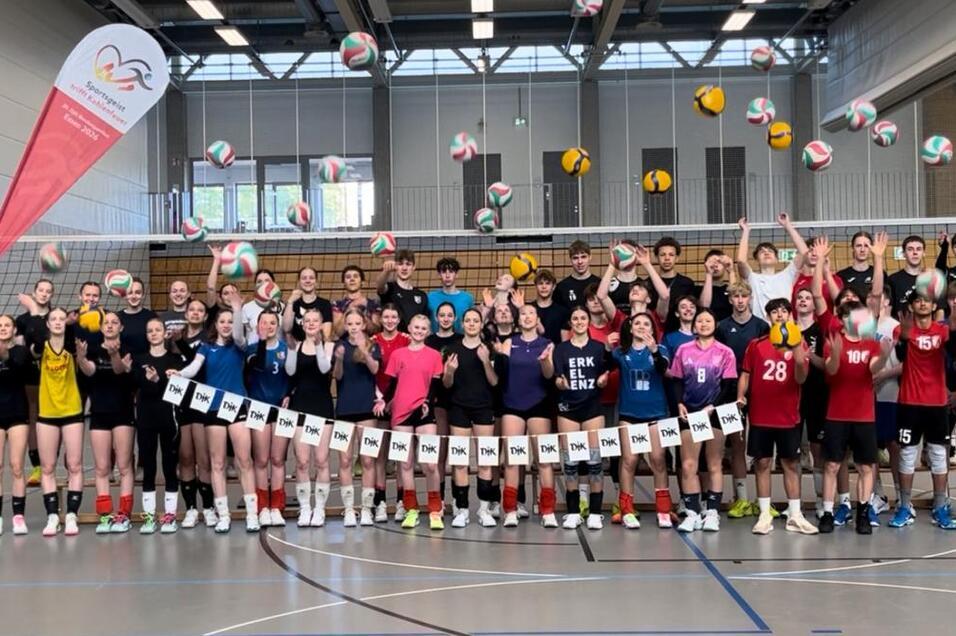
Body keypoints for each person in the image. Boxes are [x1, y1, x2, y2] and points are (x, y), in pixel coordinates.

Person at [175, 293, 259, 533]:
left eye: (230, 322)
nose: (226, 325)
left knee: (244, 460)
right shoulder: (206, 346)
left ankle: (252, 514)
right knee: (217, 463)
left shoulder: (240, 346)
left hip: (237, 406)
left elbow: (240, 335)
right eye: (222, 321)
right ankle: (223, 515)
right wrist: (179, 374)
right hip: (213, 408)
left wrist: (237, 310)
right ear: (215, 324)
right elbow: (193, 368)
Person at [739, 299, 817, 536]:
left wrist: (798, 356)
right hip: (761, 415)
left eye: (784, 311)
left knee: (790, 464)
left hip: (788, 415)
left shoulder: (799, 343)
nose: (780, 315)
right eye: (775, 311)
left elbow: (802, 378)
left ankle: (795, 515)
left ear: (790, 315)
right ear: (768, 316)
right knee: (762, 463)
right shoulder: (756, 345)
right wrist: (741, 395)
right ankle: (764, 514)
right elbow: (746, 373)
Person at [818, 304, 892, 534]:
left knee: (865, 466)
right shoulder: (833, 341)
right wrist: (836, 353)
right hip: (836, 414)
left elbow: (874, 368)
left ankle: (863, 513)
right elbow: (831, 370)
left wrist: (884, 355)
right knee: (831, 465)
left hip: (864, 416)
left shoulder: (870, 343)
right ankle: (828, 513)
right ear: (843, 319)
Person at [889, 291, 956, 529]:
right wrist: (905, 337)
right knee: (907, 455)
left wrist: (953, 317)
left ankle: (940, 507)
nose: (922, 304)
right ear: (911, 306)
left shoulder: (942, 331)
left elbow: (954, 350)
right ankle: (905, 506)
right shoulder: (902, 329)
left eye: (926, 300)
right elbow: (900, 356)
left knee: (938, 456)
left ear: (934, 305)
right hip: (909, 402)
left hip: (937, 404)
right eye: (917, 300)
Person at [668, 308, 737, 533]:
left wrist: (713, 406)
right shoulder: (683, 349)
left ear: (715, 324)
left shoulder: (725, 352)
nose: (704, 324)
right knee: (689, 464)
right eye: (700, 320)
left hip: (715, 413)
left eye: (708, 320)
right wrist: (679, 403)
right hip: (690, 413)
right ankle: (693, 514)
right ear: (694, 325)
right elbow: (676, 380)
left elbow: (728, 385)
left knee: (714, 463)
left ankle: (712, 513)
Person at [374, 314, 444, 530]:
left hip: (424, 412)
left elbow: (435, 385)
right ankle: (411, 509)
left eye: (423, 328)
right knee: (404, 463)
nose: (419, 331)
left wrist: (427, 402)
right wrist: (383, 400)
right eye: (416, 327)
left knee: (430, 464)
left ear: (428, 331)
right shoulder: (398, 354)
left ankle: (435, 509)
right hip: (400, 414)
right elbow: (392, 384)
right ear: (410, 329)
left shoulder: (434, 355)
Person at [496, 305, 557, 527]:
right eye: (523, 314)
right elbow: (501, 374)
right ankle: (510, 509)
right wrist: (499, 355)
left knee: (544, 460)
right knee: (513, 459)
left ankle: (548, 510)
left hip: (539, 404)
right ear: (518, 320)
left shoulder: (548, 344)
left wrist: (545, 361)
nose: (527, 317)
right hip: (512, 404)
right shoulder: (509, 342)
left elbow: (549, 375)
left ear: (537, 319)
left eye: (531, 313)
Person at [611, 312, 673, 529]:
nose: (641, 326)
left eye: (646, 323)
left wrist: (654, 351)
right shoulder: (621, 352)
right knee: (629, 461)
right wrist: (606, 348)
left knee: (658, 459)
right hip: (629, 415)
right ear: (630, 328)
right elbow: (603, 363)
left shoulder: (660, 349)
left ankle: (663, 509)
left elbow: (663, 369)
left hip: (655, 414)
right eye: (637, 323)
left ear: (652, 329)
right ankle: (626, 509)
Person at [75, 312, 135, 535]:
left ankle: (124, 515)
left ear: (121, 327)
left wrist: (115, 354)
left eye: (114, 323)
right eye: (106, 323)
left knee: (124, 466)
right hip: (99, 412)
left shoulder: (127, 348)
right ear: (101, 328)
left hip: (123, 413)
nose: (109, 326)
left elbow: (120, 370)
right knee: (102, 468)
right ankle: (105, 514)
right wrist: (81, 358)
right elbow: (90, 370)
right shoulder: (91, 348)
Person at [550, 306, 609, 530]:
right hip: (568, 409)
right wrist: (559, 383)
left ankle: (595, 512)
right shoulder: (561, 349)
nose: (579, 321)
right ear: (570, 322)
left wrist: (603, 379)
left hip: (592, 408)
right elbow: (557, 377)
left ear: (588, 321)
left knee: (594, 462)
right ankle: (573, 511)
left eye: (583, 318)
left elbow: (605, 372)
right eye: (575, 318)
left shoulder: (598, 348)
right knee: (571, 463)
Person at [28, 308, 85, 537]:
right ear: (48, 324)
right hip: (47, 414)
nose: (59, 322)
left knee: (75, 465)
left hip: (72, 411)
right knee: (48, 467)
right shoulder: (40, 348)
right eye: (54, 319)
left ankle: (71, 515)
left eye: (62, 319)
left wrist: (73, 323)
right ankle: (52, 516)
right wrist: (36, 309)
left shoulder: (72, 346)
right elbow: (35, 343)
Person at [715, 282, 769, 519]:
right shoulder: (722, 327)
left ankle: (763, 500)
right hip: (729, 392)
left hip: (758, 390)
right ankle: (742, 499)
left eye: (743, 296)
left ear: (749, 298)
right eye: (735, 296)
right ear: (730, 299)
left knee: (761, 444)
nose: (739, 300)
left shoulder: (761, 326)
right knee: (737, 443)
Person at [443, 308, 499, 528]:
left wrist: (485, 361)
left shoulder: (488, 349)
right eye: (468, 320)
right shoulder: (453, 349)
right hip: (459, 409)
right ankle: (462, 509)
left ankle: (484, 510)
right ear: (462, 323)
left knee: (485, 461)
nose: (472, 323)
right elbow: (446, 384)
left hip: (484, 408)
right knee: (460, 462)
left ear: (480, 324)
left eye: (476, 320)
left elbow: (494, 382)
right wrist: (449, 371)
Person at [131, 318, 186, 534]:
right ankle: (149, 516)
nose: (154, 333)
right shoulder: (139, 359)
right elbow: (137, 384)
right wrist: (150, 381)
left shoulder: (175, 360)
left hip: (168, 418)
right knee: (149, 466)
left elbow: (178, 390)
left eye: (157, 330)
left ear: (165, 333)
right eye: (150, 330)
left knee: (170, 466)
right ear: (146, 335)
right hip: (146, 418)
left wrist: (158, 380)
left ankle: (170, 515)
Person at [286, 308, 336, 527]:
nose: (311, 323)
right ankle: (305, 508)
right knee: (302, 461)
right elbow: (290, 372)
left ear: (321, 324)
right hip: (300, 406)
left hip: (322, 406)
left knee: (322, 460)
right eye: (307, 320)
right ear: (303, 323)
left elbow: (324, 369)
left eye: (315, 320)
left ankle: (320, 509)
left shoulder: (328, 346)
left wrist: (317, 345)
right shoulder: (296, 346)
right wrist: (291, 351)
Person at [332, 308, 382, 526]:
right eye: (349, 324)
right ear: (345, 325)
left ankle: (367, 508)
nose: (353, 327)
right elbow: (337, 376)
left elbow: (375, 370)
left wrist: (365, 351)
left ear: (363, 324)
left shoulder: (373, 345)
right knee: (344, 460)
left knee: (368, 459)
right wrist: (339, 360)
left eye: (357, 323)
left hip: (366, 409)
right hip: (344, 410)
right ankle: (349, 509)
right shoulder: (339, 346)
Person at [246, 310, 291, 528]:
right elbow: (257, 364)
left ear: (278, 326)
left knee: (278, 459)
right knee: (261, 460)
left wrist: (290, 394)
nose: (268, 326)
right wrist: (262, 342)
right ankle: (263, 506)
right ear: (258, 326)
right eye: (264, 323)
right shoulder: (252, 349)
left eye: (272, 323)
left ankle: (277, 507)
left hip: (282, 410)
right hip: (258, 408)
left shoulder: (286, 349)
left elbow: (293, 376)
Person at [173, 299, 214, 528]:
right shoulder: (174, 338)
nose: (196, 313)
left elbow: (196, 365)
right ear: (186, 314)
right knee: (186, 458)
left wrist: (180, 342)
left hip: (202, 400)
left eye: (200, 310)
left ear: (205, 315)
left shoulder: (209, 337)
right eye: (192, 310)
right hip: (180, 399)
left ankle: (208, 508)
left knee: (203, 458)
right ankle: (190, 508)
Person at [735, 214, 810, 322]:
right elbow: (741, 261)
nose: (766, 253)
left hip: (785, 327)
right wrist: (746, 231)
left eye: (770, 251)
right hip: (761, 328)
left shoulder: (787, 275)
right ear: (757, 260)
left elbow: (804, 252)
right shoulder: (752, 278)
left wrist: (787, 225)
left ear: (776, 259)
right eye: (762, 252)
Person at [373, 305, 410, 521]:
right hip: (378, 401)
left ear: (399, 319)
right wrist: (380, 398)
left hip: (399, 401)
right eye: (386, 317)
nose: (389, 320)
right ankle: (379, 502)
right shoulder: (373, 340)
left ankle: (401, 502)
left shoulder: (406, 340)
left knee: (399, 454)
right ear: (380, 319)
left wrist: (393, 399)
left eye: (393, 317)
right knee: (379, 455)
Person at [425, 302, 462, 514]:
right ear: (436, 318)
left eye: (449, 315)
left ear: (454, 318)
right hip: (436, 400)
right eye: (442, 315)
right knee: (439, 453)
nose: (446, 318)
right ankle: (438, 500)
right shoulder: (429, 341)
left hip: (458, 399)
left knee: (457, 453)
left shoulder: (460, 340)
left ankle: (458, 500)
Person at [15, 280, 53, 487]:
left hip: (54, 374)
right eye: (41, 290)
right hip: (30, 374)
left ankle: (51, 462)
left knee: (52, 419)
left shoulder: (56, 316)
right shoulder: (22, 320)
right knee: (32, 416)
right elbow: (20, 351)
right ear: (34, 292)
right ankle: (37, 465)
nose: (44, 294)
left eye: (48, 291)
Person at [0, 315, 33, 535]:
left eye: (7, 325)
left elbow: (20, 371)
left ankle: (18, 518)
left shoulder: (21, 352)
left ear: (13, 330)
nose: (3, 328)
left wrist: (4, 354)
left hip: (17, 413)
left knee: (17, 466)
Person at [872, 286, 902, 516]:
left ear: (887, 301)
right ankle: (878, 495)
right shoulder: (863, 326)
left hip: (890, 393)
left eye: (877, 297)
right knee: (869, 446)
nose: (872, 300)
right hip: (866, 395)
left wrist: (883, 375)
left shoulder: (895, 327)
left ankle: (902, 496)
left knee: (894, 445)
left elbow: (907, 363)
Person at [375, 249, 429, 331]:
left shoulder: (421, 295)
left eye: (408, 264)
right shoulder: (390, 288)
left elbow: (424, 322)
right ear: (395, 266)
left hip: (413, 338)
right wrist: (386, 271)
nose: (404, 268)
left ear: (414, 267)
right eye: (400, 264)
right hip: (393, 337)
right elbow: (379, 285)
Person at [284, 266, 333, 343]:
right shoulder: (293, 304)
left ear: (316, 282)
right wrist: (290, 302)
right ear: (299, 282)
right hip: (297, 347)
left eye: (311, 278)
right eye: (304, 278)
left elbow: (326, 335)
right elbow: (286, 329)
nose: (308, 281)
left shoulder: (325, 304)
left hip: (317, 346)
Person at [428, 257, 474, 334]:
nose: (447, 275)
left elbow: (474, 321)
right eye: (444, 272)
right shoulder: (430, 297)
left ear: (457, 274)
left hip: (460, 340)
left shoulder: (467, 298)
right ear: (439, 275)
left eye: (451, 271)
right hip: (435, 340)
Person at [651, 236, 696, 314]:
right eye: (662, 255)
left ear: (677, 258)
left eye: (671, 255)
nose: (667, 258)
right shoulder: (648, 283)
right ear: (656, 257)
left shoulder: (687, 283)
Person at [332, 265, 381, 336]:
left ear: (362, 282)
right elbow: (339, 332)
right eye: (348, 277)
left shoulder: (373, 304)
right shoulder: (337, 305)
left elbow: (376, 331)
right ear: (343, 283)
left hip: (367, 341)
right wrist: (350, 307)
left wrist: (360, 315)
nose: (352, 279)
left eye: (355, 276)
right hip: (345, 342)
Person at [241, 269, 286, 343]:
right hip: (255, 348)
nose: (263, 284)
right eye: (259, 281)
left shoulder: (283, 307)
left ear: (274, 284)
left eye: (267, 280)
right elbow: (245, 335)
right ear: (255, 285)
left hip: (277, 349)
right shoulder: (247, 307)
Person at [118, 277, 157, 358]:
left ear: (142, 295)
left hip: (148, 363)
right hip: (125, 363)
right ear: (125, 295)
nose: (134, 296)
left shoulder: (151, 316)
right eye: (130, 293)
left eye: (138, 292)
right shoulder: (118, 318)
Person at [888, 235, 925, 318]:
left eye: (919, 249)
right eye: (910, 249)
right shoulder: (893, 280)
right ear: (904, 254)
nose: (915, 252)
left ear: (924, 253)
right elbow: (888, 310)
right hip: (900, 325)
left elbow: (939, 309)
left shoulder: (931, 279)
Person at [555, 241, 600, 308]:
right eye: (575, 258)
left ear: (590, 257)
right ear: (570, 259)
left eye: (583, 257)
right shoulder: (561, 287)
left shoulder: (600, 284)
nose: (580, 262)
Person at [530, 269, 570, 344]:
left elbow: (565, 342)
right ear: (536, 286)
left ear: (553, 287)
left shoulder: (562, 312)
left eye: (547, 283)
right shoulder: (529, 309)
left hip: (556, 350)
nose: (544, 287)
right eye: (540, 283)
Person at [698, 249, 735, 322]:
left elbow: (736, 300)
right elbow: (704, 307)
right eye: (711, 262)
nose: (715, 265)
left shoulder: (728, 288)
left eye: (719, 262)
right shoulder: (698, 289)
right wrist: (709, 273)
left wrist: (731, 271)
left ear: (724, 266)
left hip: (727, 326)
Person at [838, 231, 875, 299]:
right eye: (858, 246)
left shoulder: (879, 274)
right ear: (853, 248)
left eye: (866, 246)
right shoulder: (841, 275)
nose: (862, 250)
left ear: (871, 248)